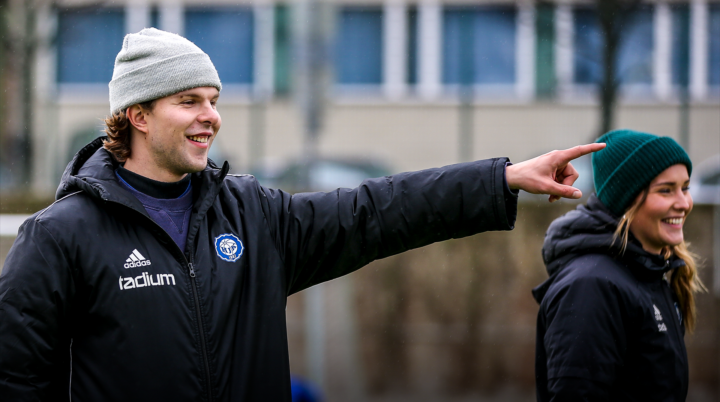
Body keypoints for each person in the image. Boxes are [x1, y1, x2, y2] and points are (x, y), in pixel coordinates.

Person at [0, 28, 603, 401]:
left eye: (213, 100)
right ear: (136, 115)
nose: (210, 116)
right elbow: (17, 378)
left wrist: (498, 180)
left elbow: (376, 212)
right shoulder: (59, 236)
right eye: (188, 102)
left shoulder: (251, 214)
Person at [533, 129, 706, 401]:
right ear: (627, 200)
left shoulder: (651, 273)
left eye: (685, 187)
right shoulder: (592, 287)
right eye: (665, 190)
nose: (683, 203)